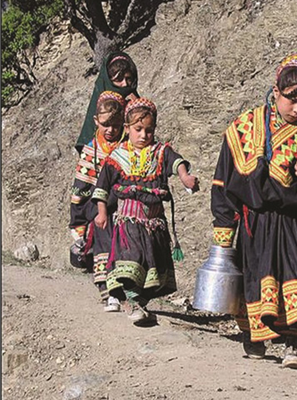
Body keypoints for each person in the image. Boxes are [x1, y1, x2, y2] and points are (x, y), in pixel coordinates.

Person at [210, 54, 297, 369]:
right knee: (255, 275)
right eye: (292, 100)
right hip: (256, 221)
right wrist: (224, 232)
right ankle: (255, 338)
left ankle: (293, 344)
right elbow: (224, 180)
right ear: (275, 91)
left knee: (293, 274)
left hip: (293, 223)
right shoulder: (243, 127)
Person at [92, 97, 199, 326]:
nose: (143, 135)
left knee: (154, 267)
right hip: (128, 221)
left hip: (155, 223)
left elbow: (177, 162)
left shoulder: (160, 152)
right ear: (127, 129)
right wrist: (101, 212)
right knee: (133, 258)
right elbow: (102, 186)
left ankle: (136, 301)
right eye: (138, 129)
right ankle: (130, 299)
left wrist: (185, 177)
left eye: (149, 130)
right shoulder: (117, 157)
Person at [69, 90, 127, 312]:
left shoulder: (128, 147)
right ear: (96, 121)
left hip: (124, 202)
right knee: (103, 232)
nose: (111, 130)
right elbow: (81, 188)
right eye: (105, 125)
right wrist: (78, 223)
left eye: (116, 124)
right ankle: (110, 292)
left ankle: (129, 288)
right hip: (97, 206)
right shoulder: (91, 151)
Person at [76, 51, 139, 152]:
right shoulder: (98, 109)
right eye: (119, 79)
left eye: (128, 79)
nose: (125, 84)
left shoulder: (134, 101)